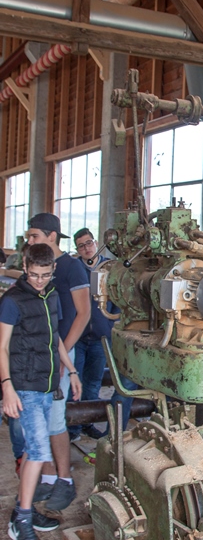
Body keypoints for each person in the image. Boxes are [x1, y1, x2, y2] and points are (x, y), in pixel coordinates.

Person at [0, 243, 82, 540]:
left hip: (49, 385)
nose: (39, 280)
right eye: (34, 275)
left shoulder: (51, 295)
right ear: (25, 267)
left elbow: (54, 337)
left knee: (40, 447)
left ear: (53, 271)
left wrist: (72, 370)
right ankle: (20, 520)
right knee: (37, 450)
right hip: (24, 386)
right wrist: (7, 387)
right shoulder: (12, 301)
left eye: (45, 275)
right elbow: (2, 347)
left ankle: (25, 508)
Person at [26, 213, 91, 510]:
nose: (30, 242)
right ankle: (49, 476)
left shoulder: (72, 267)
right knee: (39, 417)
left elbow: (83, 314)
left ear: (52, 236)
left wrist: (63, 354)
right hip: (41, 354)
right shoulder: (42, 270)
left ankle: (65, 479)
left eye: (34, 236)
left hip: (62, 353)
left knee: (54, 419)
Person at [68, 228, 119, 441]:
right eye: (81, 246)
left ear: (96, 243)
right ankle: (72, 428)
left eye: (89, 243)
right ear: (77, 249)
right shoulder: (73, 268)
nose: (86, 248)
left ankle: (87, 423)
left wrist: (111, 322)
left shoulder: (110, 267)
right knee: (75, 381)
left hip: (100, 337)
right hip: (78, 337)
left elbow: (118, 298)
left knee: (93, 382)